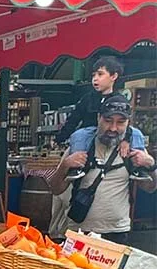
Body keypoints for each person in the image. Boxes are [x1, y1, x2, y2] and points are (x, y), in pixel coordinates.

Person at [49, 93, 156, 244]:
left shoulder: (134, 151)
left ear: (128, 123)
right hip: (79, 231)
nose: (113, 128)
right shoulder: (80, 146)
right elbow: (55, 189)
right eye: (108, 120)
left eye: (120, 122)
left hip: (117, 233)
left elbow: (150, 187)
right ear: (99, 118)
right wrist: (65, 165)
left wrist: (151, 165)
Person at [55, 55, 125, 144]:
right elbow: (72, 120)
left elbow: (127, 123)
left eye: (100, 74)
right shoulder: (87, 99)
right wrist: (59, 139)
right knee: (79, 135)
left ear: (113, 76)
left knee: (136, 134)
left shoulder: (120, 101)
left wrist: (126, 140)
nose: (95, 79)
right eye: (93, 75)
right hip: (87, 140)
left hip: (112, 139)